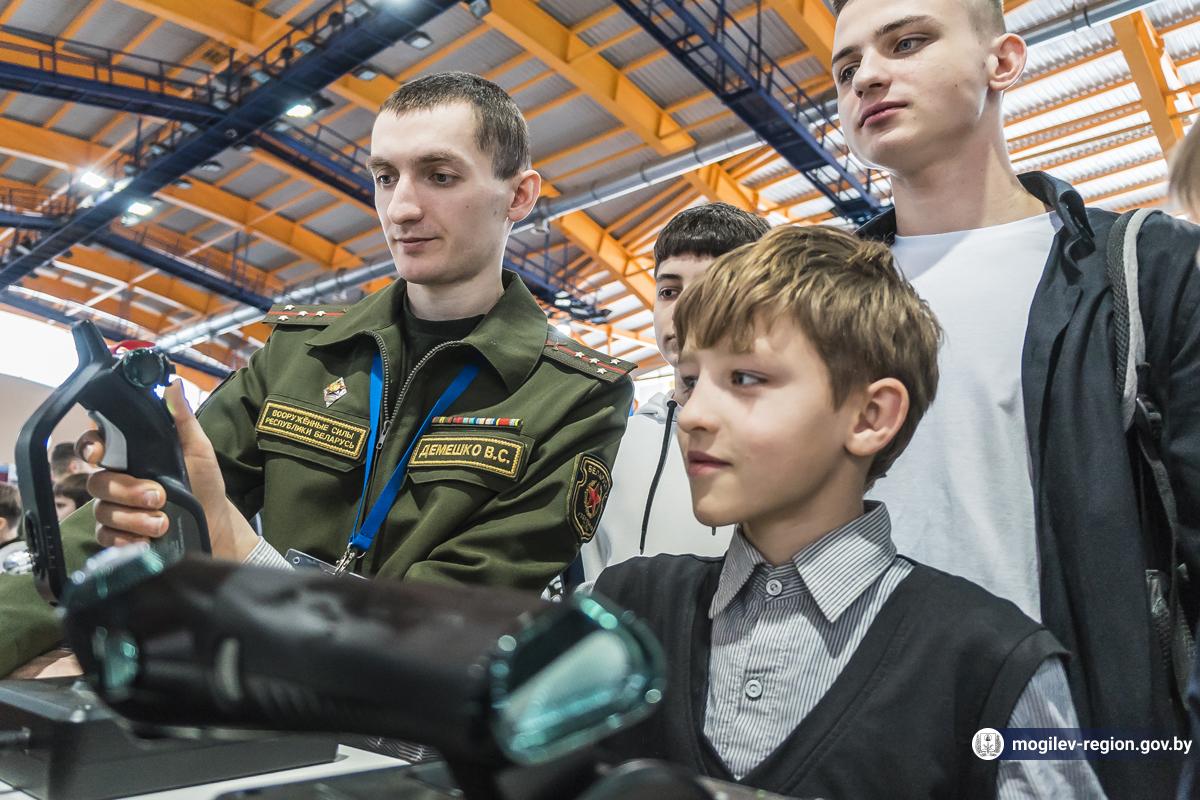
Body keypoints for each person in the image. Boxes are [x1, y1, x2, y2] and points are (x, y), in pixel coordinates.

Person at [0, 71, 635, 678]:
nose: (401, 208)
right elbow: (144, 508)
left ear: (519, 195)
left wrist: (237, 546)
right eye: (385, 177)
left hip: (399, 728)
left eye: (440, 176)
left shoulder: (574, 396)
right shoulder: (300, 353)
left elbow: (444, 626)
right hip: (250, 692)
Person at [592, 225, 1104, 798]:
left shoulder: (989, 664)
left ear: (869, 416)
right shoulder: (623, 610)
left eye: (745, 378)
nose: (691, 416)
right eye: (690, 381)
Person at [831, 2, 1200, 796]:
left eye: (907, 42)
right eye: (846, 67)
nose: (867, 77)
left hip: (1087, 756)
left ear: (1002, 62)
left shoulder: (1146, 271)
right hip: (865, 754)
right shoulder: (810, 306)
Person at [581, 203, 769, 580]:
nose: (683, 309)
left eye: (710, 288)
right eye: (669, 291)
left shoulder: (786, 443)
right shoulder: (612, 444)